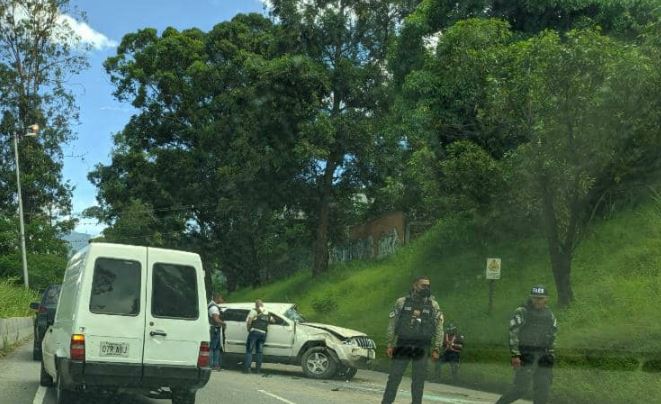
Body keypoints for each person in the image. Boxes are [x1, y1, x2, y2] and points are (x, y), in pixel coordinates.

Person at [382, 275, 444, 404]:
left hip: (422, 347)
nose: (426, 288)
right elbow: (392, 323)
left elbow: (439, 327)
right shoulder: (402, 302)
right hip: (403, 344)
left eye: (428, 286)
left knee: (418, 381)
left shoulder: (433, 305)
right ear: (415, 286)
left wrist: (437, 348)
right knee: (394, 377)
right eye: (423, 285)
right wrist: (389, 343)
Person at [496, 285, 558, 404]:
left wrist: (551, 355)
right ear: (531, 298)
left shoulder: (550, 315)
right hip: (526, 354)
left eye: (540, 298)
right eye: (535, 298)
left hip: (544, 356)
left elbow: (553, 335)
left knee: (543, 390)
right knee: (520, 388)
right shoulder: (522, 311)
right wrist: (515, 355)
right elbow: (513, 333)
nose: (537, 301)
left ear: (546, 299)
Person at [243, 299, 275, 374]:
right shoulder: (267, 313)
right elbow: (273, 321)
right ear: (262, 305)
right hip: (263, 333)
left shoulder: (254, 311)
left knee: (249, 350)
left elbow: (249, 320)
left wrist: (248, 329)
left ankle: (247, 369)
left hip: (254, 332)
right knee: (259, 352)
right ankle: (258, 370)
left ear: (256, 305)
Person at [208, 293, 225, 371]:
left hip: (216, 329)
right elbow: (216, 319)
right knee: (213, 347)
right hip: (214, 329)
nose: (222, 300)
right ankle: (211, 365)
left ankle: (216, 365)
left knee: (217, 347)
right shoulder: (214, 307)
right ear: (217, 298)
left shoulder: (212, 306)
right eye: (221, 298)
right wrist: (223, 323)